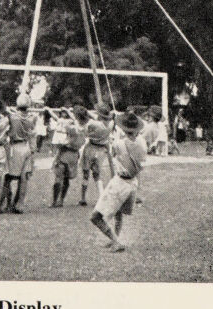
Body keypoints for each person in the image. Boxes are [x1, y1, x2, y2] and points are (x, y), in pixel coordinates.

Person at [90, 110, 147, 251]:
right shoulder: (142, 142)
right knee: (118, 212)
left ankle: (116, 241)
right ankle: (116, 238)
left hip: (121, 182)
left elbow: (113, 150)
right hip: (132, 182)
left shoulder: (119, 143)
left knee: (95, 217)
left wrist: (114, 123)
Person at [0, 93, 37, 213]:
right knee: (23, 178)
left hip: (15, 147)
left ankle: (3, 203)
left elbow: (7, 116)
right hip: (26, 147)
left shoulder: (12, 117)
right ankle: (19, 204)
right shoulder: (32, 117)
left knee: (8, 177)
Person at [50, 106, 88, 206]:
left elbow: (65, 138)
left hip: (65, 153)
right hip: (75, 155)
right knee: (66, 178)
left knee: (58, 177)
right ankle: (61, 200)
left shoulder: (72, 128)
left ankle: (55, 201)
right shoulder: (85, 128)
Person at [79, 104, 114, 205]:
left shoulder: (92, 124)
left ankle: (83, 198)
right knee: (97, 175)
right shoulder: (110, 124)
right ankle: (101, 196)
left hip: (90, 148)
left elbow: (85, 129)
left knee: (86, 174)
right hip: (101, 150)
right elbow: (100, 119)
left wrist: (86, 112)